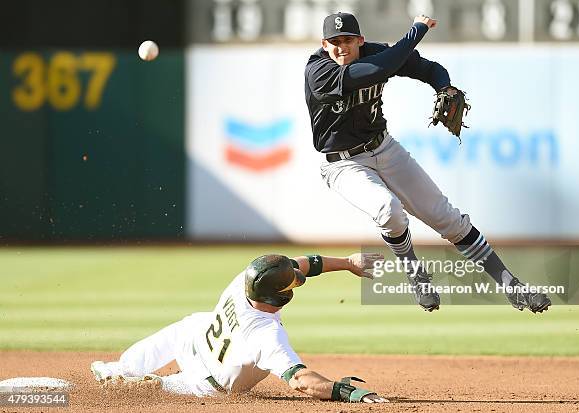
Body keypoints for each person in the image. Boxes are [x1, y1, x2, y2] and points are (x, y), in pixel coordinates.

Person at [304, 12, 551, 313]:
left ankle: (511, 286)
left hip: (384, 147)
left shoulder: (377, 52)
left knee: (448, 219)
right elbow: (375, 70)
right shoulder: (319, 71)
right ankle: (416, 274)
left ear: (360, 40)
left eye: (347, 40)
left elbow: (429, 69)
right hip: (342, 164)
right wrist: (417, 30)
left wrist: (443, 87)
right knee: (388, 210)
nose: (341, 47)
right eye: (334, 42)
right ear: (324, 44)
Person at [90, 252, 388, 403]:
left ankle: (119, 368)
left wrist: (349, 262)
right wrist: (349, 393)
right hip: (206, 384)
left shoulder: (244, 280)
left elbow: (302, 263)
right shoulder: (267, 336)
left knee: (187, 326)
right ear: (282, 296)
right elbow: (301, 381)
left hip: (196, 338)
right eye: (292, 280)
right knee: (162, 389)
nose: (297, 275)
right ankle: (150, 385)